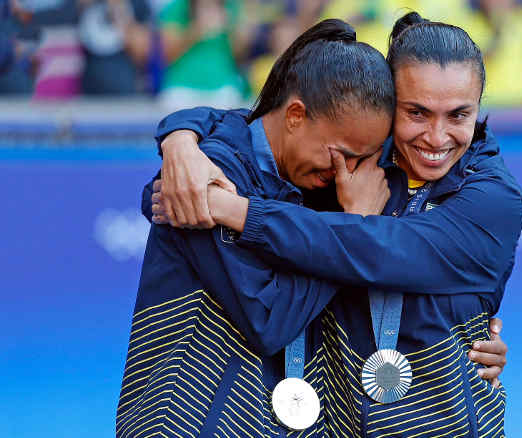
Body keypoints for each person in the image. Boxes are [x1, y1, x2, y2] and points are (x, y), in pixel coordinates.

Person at [150, 12, 522, 437]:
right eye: (416, 112)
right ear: (387, 103)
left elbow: (384, 249)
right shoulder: (346, 165)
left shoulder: (494, 198)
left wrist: (235, 211)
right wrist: (182, 137)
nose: (437, 137)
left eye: (459, 115)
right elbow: (263, 126)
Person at [117, 19, 396, 437]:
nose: (349, 173)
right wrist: (354, 230)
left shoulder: (326, 187)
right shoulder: (210, 175)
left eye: (363, 159)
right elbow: (270, 319)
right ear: (296, 115)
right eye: (341, 154)